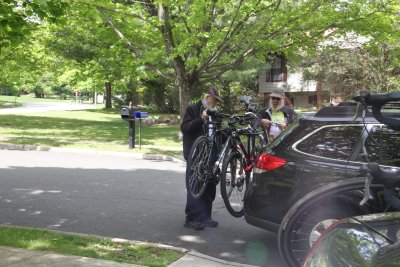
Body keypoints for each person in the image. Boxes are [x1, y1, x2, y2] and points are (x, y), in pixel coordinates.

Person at [180, 88, 223, 230]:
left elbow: (219, 134)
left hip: (211, 155)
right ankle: (191, 218)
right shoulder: (193, 109)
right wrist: (201, 119)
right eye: (214, 99)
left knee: (210, 185)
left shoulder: (215, 113)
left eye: (217, 100)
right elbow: (185, 128)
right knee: (195, 185)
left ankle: (205, 216)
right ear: (206, 97)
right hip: (196, 155)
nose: (215, 102)